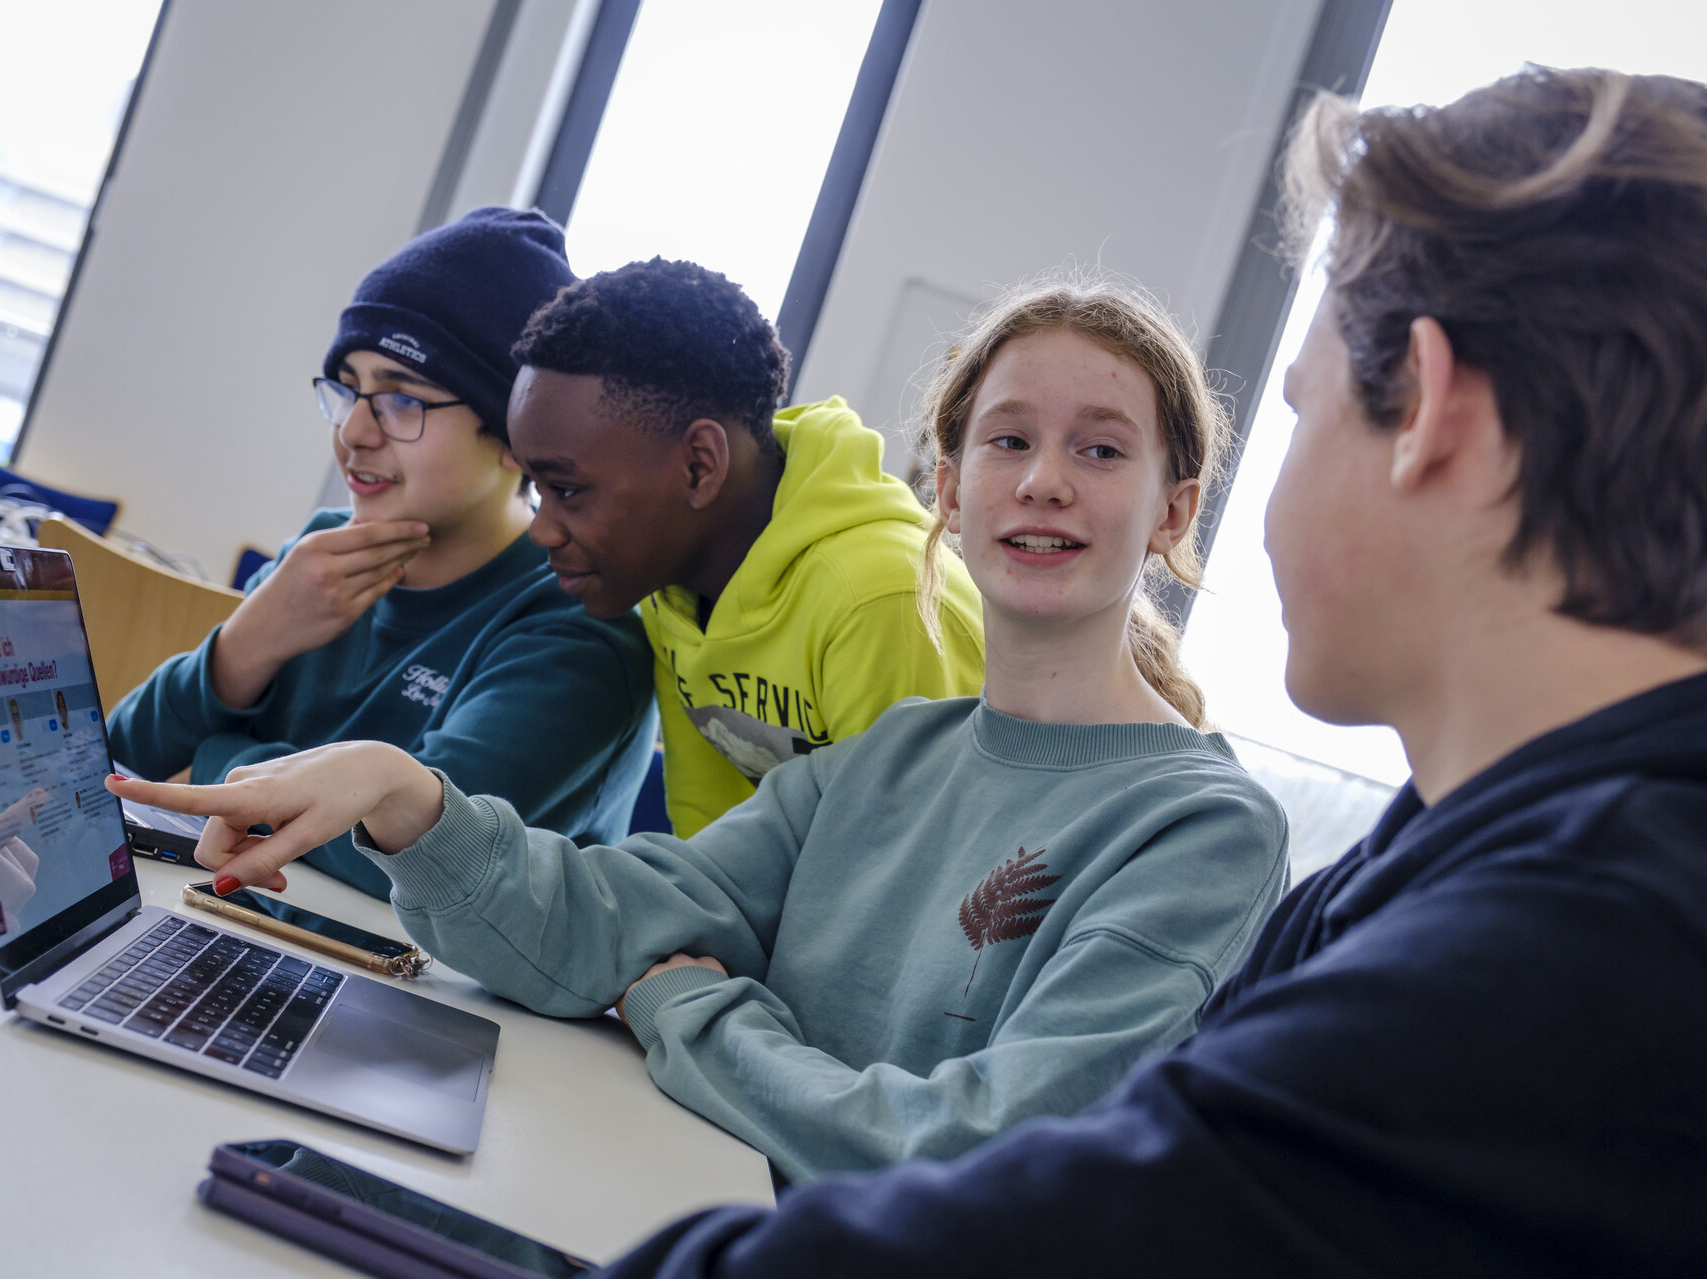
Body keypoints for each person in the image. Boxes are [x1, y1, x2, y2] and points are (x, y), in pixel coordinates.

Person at [540, 66, 1705, 1276]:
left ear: (1429, 411)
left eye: (1302, 412)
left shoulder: (1562, 954)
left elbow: (1026, 1224)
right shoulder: (1467, 853)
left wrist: (701, 1019)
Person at [107, 276, 1290, 1185]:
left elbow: (974, 1151)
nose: (1042, 482)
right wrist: (403, 796)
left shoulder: (1202, 827)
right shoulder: (892, 758)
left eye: (1100, 449)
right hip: (699, 1199)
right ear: (951, 483)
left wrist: (695, 1010)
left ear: (1175, 510)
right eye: (1009, 440)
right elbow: (600, 923)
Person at [108, 207, 658, 897]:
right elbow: (124, 759)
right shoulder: (320, 555)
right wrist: (241, 650)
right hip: (251, 929)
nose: (354, 431)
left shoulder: (578, 628)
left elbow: (413, 854)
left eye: (402, 399)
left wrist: (213, 758)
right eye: (347, 389)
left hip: (422, 988)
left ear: (518, 429)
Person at [505, 257, 986, 835]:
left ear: (699, 466)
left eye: (566, 490)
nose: (542, 529)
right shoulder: (673, 586)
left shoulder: (879, 602)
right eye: (536, 489)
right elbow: (708, 838)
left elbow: (907, 873)